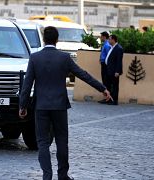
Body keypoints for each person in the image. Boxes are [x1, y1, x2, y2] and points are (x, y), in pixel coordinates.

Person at [19, 26, 111, 180]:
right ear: (57, 40)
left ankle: (47, 175)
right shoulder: (64, 58)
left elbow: (27, 84)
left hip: (41, 106)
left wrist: (23, 106)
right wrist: (102, 88)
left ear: (44, 39)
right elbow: (83, 75)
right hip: (60, 106)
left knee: (42, 142)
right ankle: (62, 175)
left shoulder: (35, 58)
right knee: (62, 140)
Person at [104, 34, 123, 105]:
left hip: (114, 71)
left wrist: (117, 71)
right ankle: (109, 99)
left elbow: (119, 61)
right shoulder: (112, 47)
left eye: (109, 39)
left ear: (113, 40)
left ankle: (115, 101)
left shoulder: (119, 48)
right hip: (109, 70)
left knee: (114, 86)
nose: (108, 40)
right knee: (109, 85)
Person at [98, 31, 111, 104]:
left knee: (106, 81)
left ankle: (107, 98)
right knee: (104, 81)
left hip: (105, 65)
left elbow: (108, 56)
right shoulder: (105, 44)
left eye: (101, 36)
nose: (100, 38)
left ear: (104, 37)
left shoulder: (107, 45)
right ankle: (106, 98)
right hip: (103, 64)